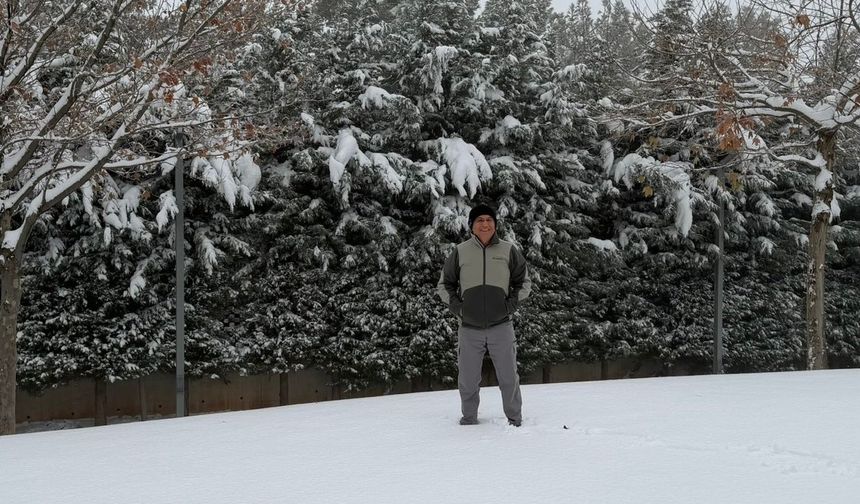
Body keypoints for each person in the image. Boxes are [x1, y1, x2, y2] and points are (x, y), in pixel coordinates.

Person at [436, 203, 532, 427]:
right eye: (480, 220)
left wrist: (509, 306)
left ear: (495, 224)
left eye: (489, 220)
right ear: (472, 225)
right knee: (468, 380)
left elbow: (523, 282)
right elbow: (444, 285)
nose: (485, 224)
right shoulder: (460, 252)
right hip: (469, 328)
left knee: (509, 377)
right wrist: (459, 309)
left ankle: (515, 419)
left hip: (501, 326)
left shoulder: (509, 250)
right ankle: (469, 419)